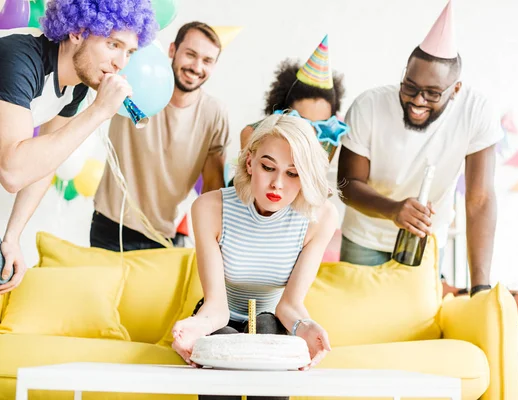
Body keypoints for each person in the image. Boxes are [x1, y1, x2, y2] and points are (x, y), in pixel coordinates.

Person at [337, 0, 503, 296]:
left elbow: (479, 200)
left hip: (426, 243)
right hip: (364, 239)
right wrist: (394, 210)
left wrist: (480, 286)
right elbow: (347, 183)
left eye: (432, 94)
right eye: (409, 87)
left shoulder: (476, 112)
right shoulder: (369, 106)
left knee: (416, 327)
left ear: (456, 90)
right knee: (364, 327)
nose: (417, 101)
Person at [171, 113, 338, 399]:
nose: (277, 184)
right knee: (223, 344)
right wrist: (196, 325)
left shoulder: (320, 217)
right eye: (268, 167)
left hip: (274, 321)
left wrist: (306, 327)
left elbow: (290, 306)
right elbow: (216, 307)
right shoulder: (210, 208)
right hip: (220, 319)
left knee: (266, 326)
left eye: (292, 173)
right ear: (250, 162)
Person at [0, 0, 158, 294]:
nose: (121, 63)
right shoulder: (19, 58)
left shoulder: (77, 84)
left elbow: (47, 161)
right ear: (77, 31)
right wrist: (97, 111)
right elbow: (12, 171)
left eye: (129, 52)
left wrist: (12, 237)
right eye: (113, 44)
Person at [90, 22, 230, 251]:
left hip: (164, 235)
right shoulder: (132, 84)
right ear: (172, 50)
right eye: (190, 55)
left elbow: (213, 189)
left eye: (207, 61)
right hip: (110, 225)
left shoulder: (215, 114)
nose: (196, 67)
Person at [239, 35, 346, 165]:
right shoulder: (252, 134)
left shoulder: (328, 142)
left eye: (321, 125)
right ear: (283, 111)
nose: (310, 133)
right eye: (302, 122)